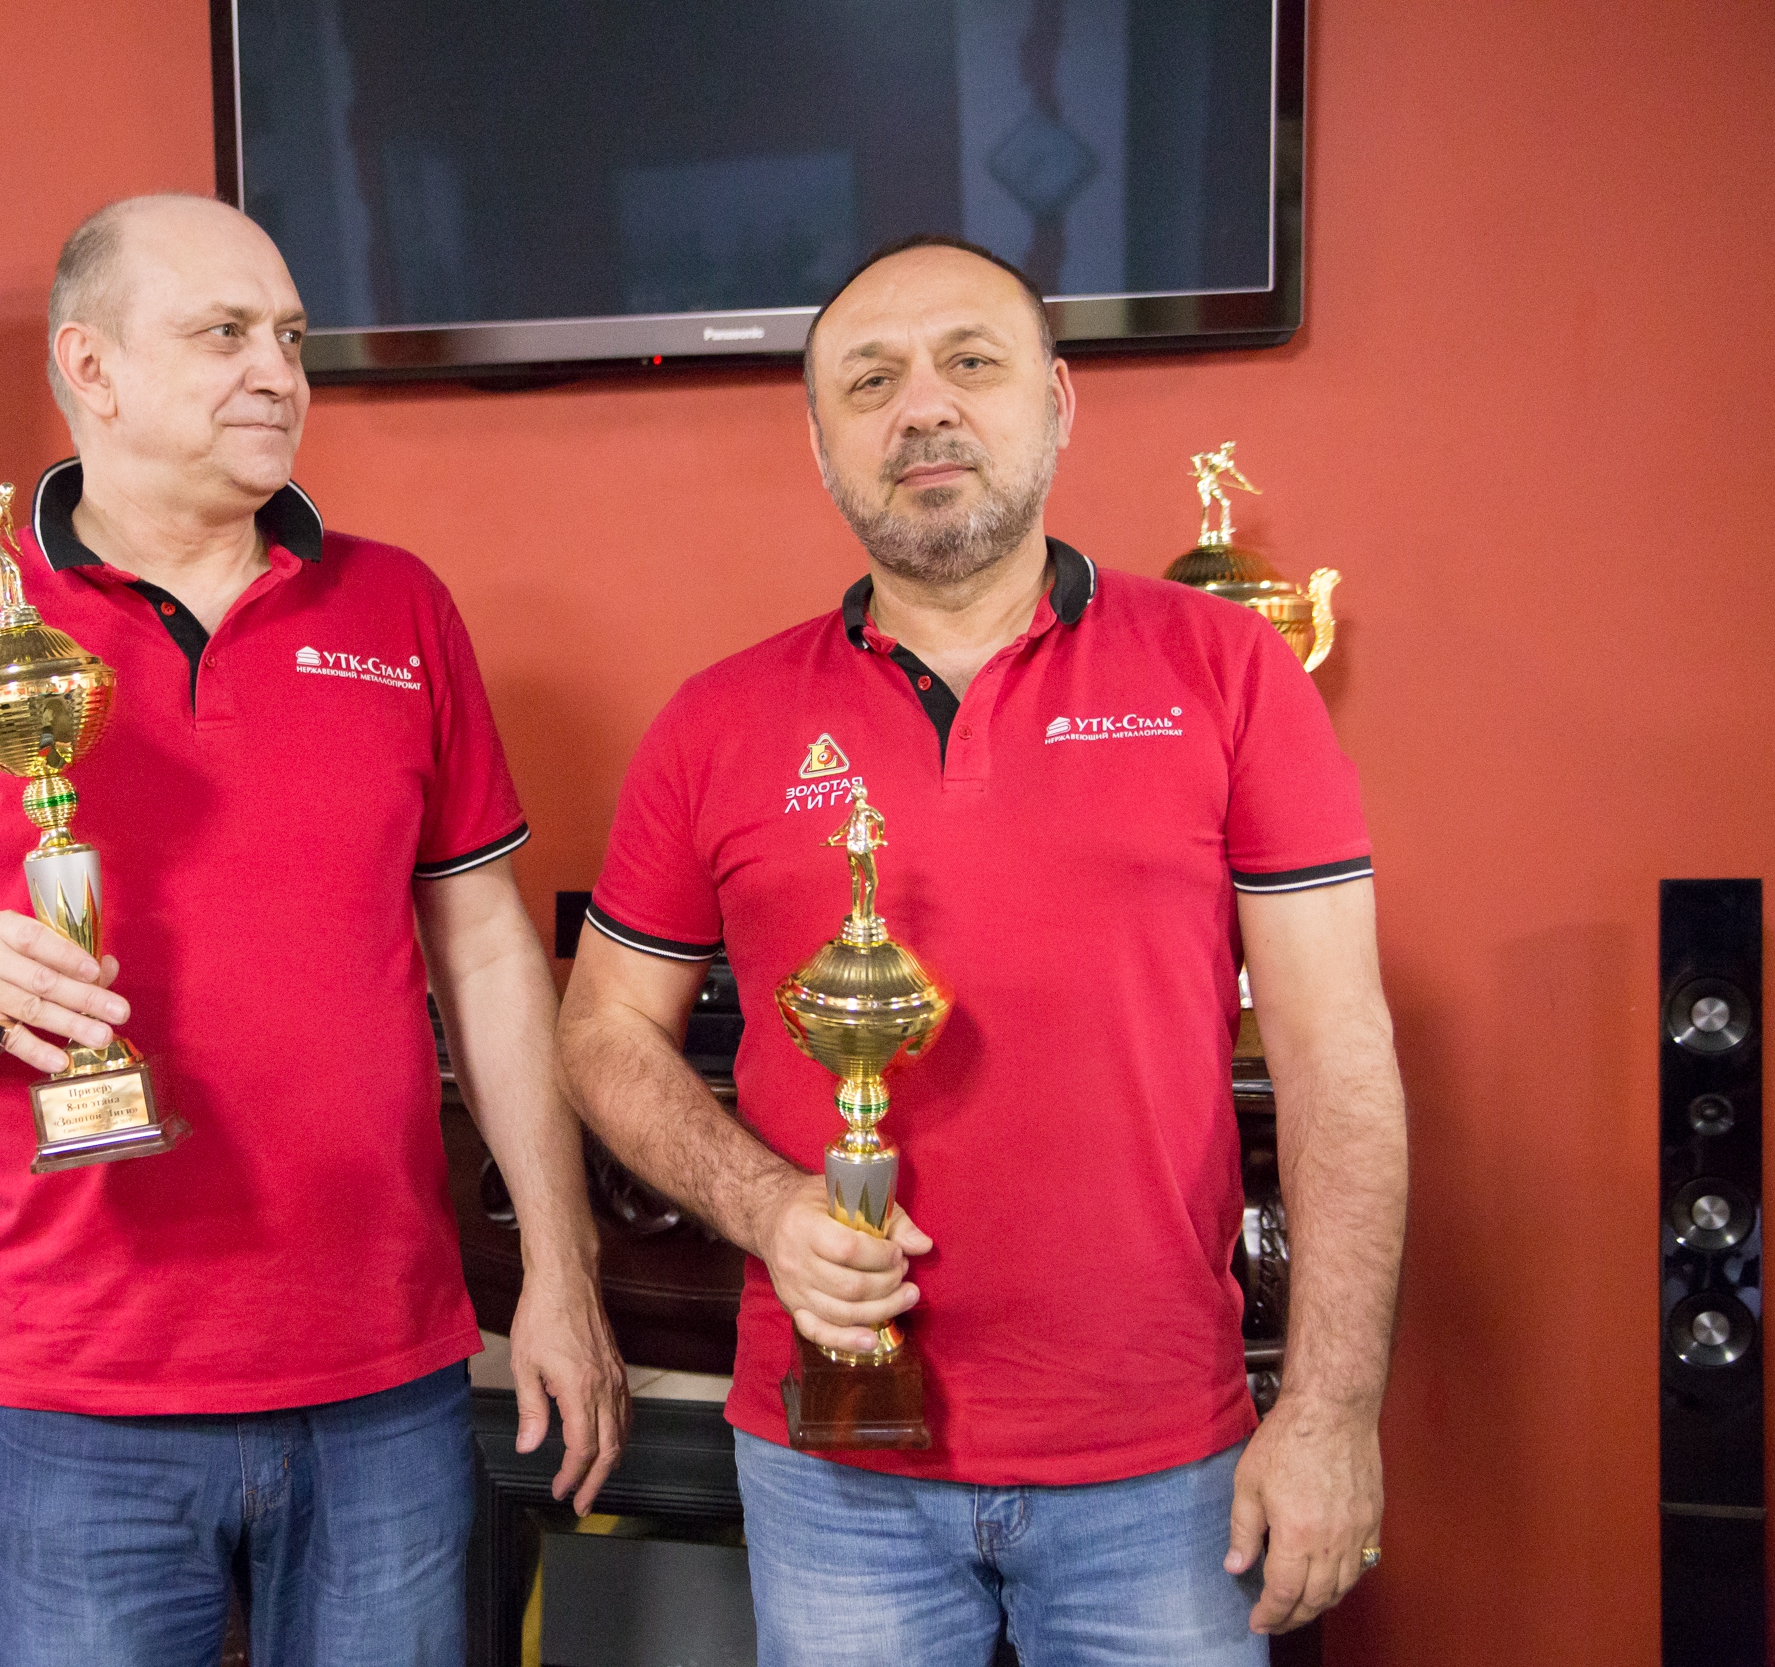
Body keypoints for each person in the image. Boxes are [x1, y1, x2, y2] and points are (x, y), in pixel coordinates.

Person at [0, 193, 625, 1667]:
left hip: (383, 1381)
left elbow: (490, 954)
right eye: (225, 334)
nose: (278, 374)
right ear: (91, 367)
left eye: (289, 337)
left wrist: (561, 1269)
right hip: (79, 1398)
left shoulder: (399, 606)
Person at [556, 235, 1407, 1663]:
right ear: (819, 441)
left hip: (1159, 1465)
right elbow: (601, 1029)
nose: (923, 409)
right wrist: (767, 1208)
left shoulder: (1229, 670)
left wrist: (1330, 1408)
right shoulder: (717, 721)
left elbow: (1340, 1060)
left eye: (970, 362)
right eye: (869, 382)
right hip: (831, 1469)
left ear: (1057, 403)